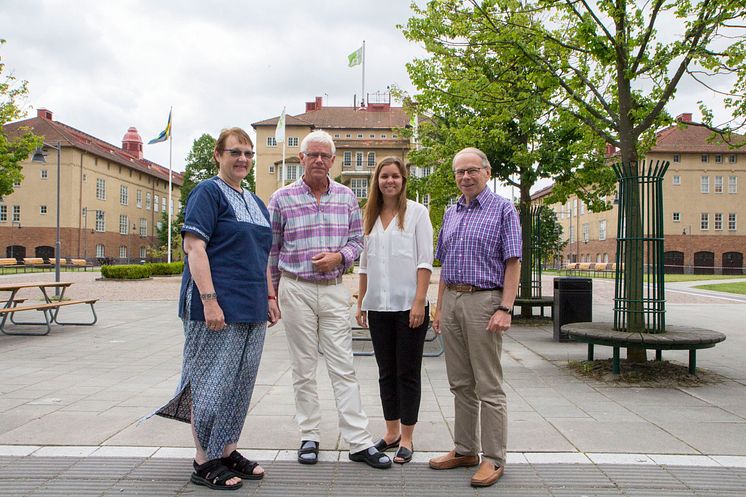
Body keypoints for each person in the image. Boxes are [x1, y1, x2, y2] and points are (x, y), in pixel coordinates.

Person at [155, 127, 280, 491]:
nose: (242, 159)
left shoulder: (256, 203)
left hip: (251, 306)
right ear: (218, 155)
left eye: (247, 153)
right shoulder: (207, 193)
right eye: (234, 152)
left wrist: (270, 297)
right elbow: (195, 248)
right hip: (214, 307)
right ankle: (203, 459)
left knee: (239, 385)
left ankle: (226, 451)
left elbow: (263, 257)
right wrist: (209, 301)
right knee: (210, 383)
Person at [268, 130, 391, 469]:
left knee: (343, 366)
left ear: (333, 161)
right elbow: (271, 249)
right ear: (301, 159)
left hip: (334, 287)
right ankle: (310, 435)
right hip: (296, 287)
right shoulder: (281, 198)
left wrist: (339, 257)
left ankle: (358, 440)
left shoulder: (347, 196)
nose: (319, 160)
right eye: (313, 155)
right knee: (303, 367)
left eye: (325, 156)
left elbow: (357, 241)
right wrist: (271, 294)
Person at [428, 147, 521, 488]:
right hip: (452, 299)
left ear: (487, 172)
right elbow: (444, 264)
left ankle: (494, 458)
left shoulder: (503, 209)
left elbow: (513, 261)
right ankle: (465, 449)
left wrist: (505, 308)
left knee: (488, 385)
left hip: (485, 302)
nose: (465, 177)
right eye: (459, 172)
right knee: (460, 383)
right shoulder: (451, 211)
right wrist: (439, 307)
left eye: (471, 170)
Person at [355, 157, 433, 464]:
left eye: (395, 176)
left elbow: (424, 261)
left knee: (407, 373)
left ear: (403, 181)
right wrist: (361, 302)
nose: (390, 181)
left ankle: (408, 437)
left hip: (408, 307)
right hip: (378, 307)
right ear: (377, 180)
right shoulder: (369, 216)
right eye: (384, 176)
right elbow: (363, 265)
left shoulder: (417, 213)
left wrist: (419, 302)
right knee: (386, 372)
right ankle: (390, 433)